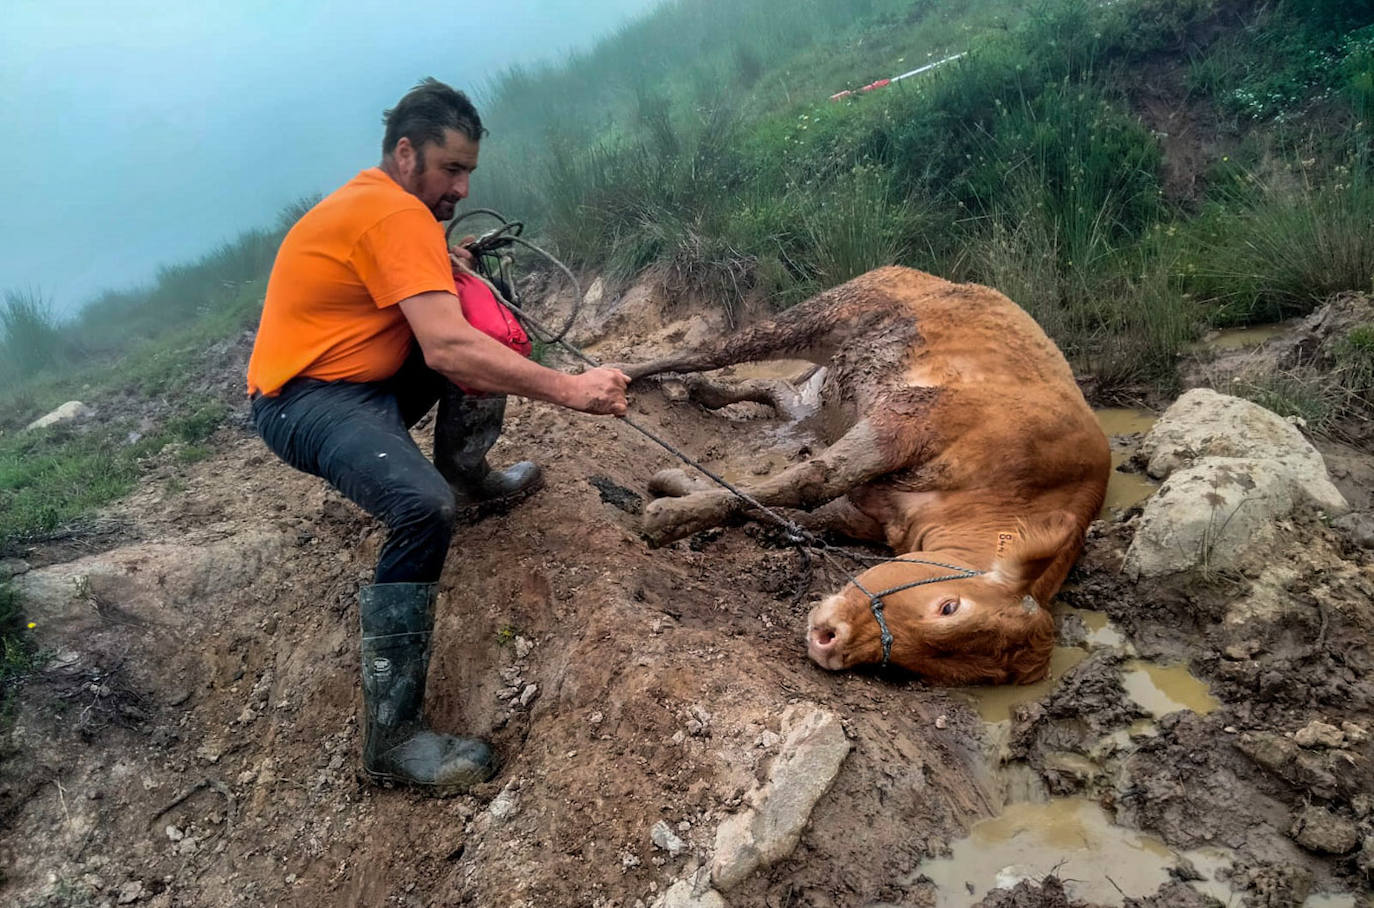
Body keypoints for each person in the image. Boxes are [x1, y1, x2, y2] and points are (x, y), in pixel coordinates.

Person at [245, 78, 629, 794]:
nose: (459, 185)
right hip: (305, 399)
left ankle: (468, 472)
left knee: (483, 306)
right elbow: (447, 351)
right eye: (450, 168)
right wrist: (572, 390)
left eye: (469, 172)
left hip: (365, 376)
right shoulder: (389, 216)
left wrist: (456, 267)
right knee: (421, 509)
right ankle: (392, 738)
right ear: (404, 153)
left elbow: (426, 303)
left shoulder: (394, 206)